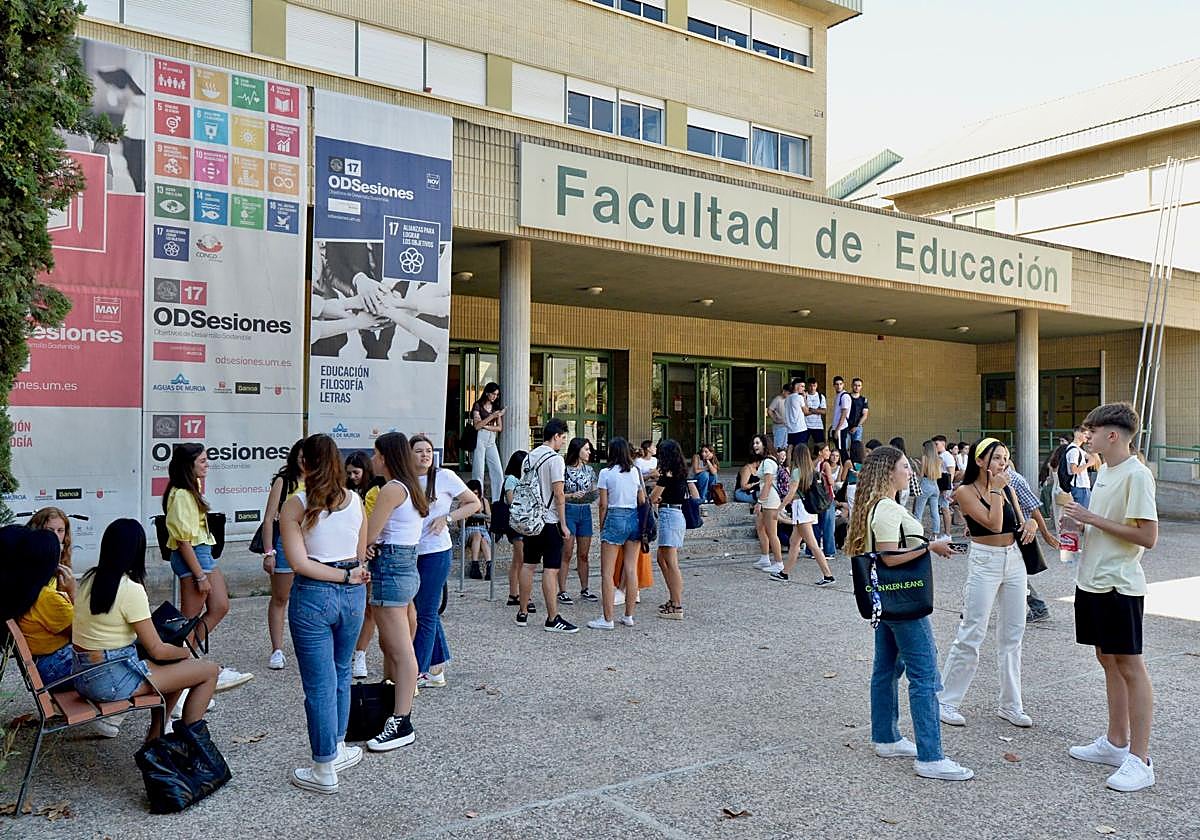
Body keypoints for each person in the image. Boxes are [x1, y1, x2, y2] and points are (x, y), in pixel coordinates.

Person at [845, 447, 972, 781]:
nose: (910, 472)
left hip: (888, 600)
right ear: (889, 472)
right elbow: (887, 557)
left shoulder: (879, 506)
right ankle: (931, 757)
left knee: (886, 668)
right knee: (925, 674)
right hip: (903, 600)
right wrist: (929, 547)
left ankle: (886, 737)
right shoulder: (886, 508)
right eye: (905, 466)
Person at [1064, 403, 1159, 792]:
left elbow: (1148, 537)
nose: (1088, 437)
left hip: (1120, 583)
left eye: (1093, 431)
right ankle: (1116, 742)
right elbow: (1107, 527)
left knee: (1130, 664)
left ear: (1113, 435)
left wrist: (1091, 520)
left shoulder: (1137, 475)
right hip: (1093, 581)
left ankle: (1141, 759)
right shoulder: (1105, 470)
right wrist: (1077, 526)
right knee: (1106, 658)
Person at [72, 519, 220, 744]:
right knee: (208, 671)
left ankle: (155, 739)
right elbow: (158, 650)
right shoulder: (130, 589)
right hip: (111, 681)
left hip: (83, 676)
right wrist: (184, 653)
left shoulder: (88, 579)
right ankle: (193, 745)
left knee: (174, 669)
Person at [278, 434, 370, 793]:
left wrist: (341, 575)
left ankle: (323, 767)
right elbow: (359, 553)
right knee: (342, 671)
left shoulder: (295, 505)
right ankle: (339, 746)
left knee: (318, 684)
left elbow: (299, 564)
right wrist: (348, 575)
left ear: (304, 464)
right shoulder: (356, 499)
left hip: (315, 595)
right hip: (352, 595)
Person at [939, 438, 1033, 729]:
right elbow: (992, 523)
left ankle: (1011, 704)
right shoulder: (965, 491)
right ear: (979, 461)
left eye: (1005, 458)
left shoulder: (1006, 486)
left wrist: (1029, 523)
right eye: (996, 458)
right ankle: (945, 700)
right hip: (985, 560)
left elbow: (1018, 519)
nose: (1002, 463)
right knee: (972, 630)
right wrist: (995, 488)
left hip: (1014, 558)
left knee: (1013, 633)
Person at [162, 442, 251, 693]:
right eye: (202, 461)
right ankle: (181, 670)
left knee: (220, 605)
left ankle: (187, 662)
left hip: (203, 550)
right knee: (188, 619)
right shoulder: (180, 495)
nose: (207, 464)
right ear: (188, 466)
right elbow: (182, 541)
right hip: (192, 554)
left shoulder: (192, 488)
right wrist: (200, 575)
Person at [363, 432, 429, 751]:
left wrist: (365, 545)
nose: (372, 460)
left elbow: (370, 534)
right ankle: (394, 705)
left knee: (401, 649)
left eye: (375, 454)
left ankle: (401, 720)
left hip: (391, 569)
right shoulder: (411, 487)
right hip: (403, 567)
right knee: (391, 644)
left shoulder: (391, 489)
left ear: (386, 457)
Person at [411, 434, 479, 690]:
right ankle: (436, 667)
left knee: (426, 612)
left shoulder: (444, 477)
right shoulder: (404, 479)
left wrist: (448, 519)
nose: (425, 455)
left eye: (428, 450)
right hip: (411, 551)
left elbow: (472, 502)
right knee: (422, 608)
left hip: (436, 551)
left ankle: (418, 670)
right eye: (419, 451)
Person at [516, 419, 577, 633]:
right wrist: (564, 524)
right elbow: (559, 494)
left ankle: (522, 612)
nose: (563, 442)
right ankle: (552, 618)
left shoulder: (528, 457)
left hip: (531, 519)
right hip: (549, 520)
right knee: (550, 570)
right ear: (557, 436)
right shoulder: (555, 460)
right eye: (563, 438)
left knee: (528, 565)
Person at [0, 527, 79, 690]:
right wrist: (73, 592)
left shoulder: (20, 589)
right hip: (56, 668)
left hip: (43, 666)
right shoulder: (46, 598)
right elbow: (86, 631)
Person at [588, 437, 647, 630]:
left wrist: (602, 525)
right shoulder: (635, 472)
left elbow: (603, 504)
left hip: (614, 515)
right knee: (630, 568)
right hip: (633, 517)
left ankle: (607, 618)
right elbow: (641, 499)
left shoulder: (605, 473)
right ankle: (629, 615)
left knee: (607, 572)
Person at [260, 439, 304, 671]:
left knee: (308, 598)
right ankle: (277, 649)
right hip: (286, 544)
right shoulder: (284, 481)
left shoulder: (322, 481)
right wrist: (269, 552)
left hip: (314, 547)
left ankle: (306, 644)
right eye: (301, 457)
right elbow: (268, 518)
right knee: (280, 597)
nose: (305, 462)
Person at [771, 444, 834, 585]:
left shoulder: (797, 471)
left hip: (800, 508)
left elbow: (791, 493)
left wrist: (779, 508)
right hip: (809, 508)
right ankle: (784, 573)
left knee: (812, 544)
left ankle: (828, 575)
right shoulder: (811, 470)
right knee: (794, 543)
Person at [648, 439, 697, 620]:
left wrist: (654, 496)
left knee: (671, 562)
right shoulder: (679, 471)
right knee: (662, 559)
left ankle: (677, 604)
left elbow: (653, 497)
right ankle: (672, 598)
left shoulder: (667, 474)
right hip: (673, 513)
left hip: (670, 515)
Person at [348, 450, 384, 678]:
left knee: (369, 608)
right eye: (349, 473)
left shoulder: (378, 489)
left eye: (356, 472)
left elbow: (377, 523)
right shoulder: (344, 493)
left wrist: (369, 544)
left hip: (372, 554)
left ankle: (360, 655)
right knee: (353, 609)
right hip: (350, 554)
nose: (352, 476)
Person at [561, 437, 598, 605]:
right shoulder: (564, 469)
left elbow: (594, 490)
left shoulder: (590, 470)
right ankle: (562, 590)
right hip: (569, 509)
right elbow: (558, 493)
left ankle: (585, 588)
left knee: (584, 554)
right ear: (577, 451)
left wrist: (593, 493)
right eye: (586, 449)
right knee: (567, 552)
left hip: (585, 510)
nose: (589, 452)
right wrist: (571, 495)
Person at [501, 450, 533, 612]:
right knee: (521, 560)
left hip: (521, 522)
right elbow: (511, 500)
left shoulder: (520, 479)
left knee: (517, 560)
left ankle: (514, 594)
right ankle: (521, 593)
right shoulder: (512, 480)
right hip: (516, 522)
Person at [749, 434, 783, 573]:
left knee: (771, 532)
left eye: (757, 443)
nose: (754, 445)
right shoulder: (766, 461)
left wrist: (760, 502)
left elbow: (768, 483)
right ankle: (765, 557)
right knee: (760, 527)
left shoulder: (768, 462)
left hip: (770, 500)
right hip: (766, 499)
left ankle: (779, 563)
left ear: (764, 444)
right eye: (754, 443)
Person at [470, 382, 506, 502]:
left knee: (498, 472)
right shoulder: (478, 405)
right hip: (480, 438)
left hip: (491, 439)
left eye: (497, 394)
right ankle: (477, 500)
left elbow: (499, 428)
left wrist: (485, 426)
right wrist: (492, 417)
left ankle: (497, 500)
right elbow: (476, 426)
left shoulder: (496, 407)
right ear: (487, 393)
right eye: (493, 394)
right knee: (478, 471)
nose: (495, 397)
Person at [913, 441, 943, 537]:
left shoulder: (924, 458)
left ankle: (917, 535)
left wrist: (916, 465)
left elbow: (921, 474)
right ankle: (935, 535)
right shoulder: (939, 459)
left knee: (918, 513)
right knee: (935, 513)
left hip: (925, 484)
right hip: (935, 486)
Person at [463, 480, 492, 578]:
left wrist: (481, 513)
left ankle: (489, 567)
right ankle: (474, 565)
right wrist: (469, 511)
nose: (474, 496)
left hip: (482, 528)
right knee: (477, 535)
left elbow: (490, 519)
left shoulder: (484, 501)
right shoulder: (464, 502)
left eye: (476, 494)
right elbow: (460, 524)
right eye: (472, 493)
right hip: (469, 529)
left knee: (483, 540)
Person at [1065, 426, 1098, 507]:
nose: (1087, 436)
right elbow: (1074, 470)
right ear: (1077, 434)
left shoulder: (1077, 449)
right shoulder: (1074, 451)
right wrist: (1088, 464)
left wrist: (1091, 460)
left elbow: (1092, 459)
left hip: (1081, 486)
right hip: (1079, 486)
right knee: (1082, 515)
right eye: (1085, 433)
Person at [932, 435, 957, 537]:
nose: (935, 446)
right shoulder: (939, 455)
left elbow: (951, 472)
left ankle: (947, 533)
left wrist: (947, 488)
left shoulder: (947, 456)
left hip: (945, 486)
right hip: (940, 485)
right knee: (942, 508)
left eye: (936, 444)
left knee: (945, 509)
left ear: (943, 443)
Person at [784, 377, 807, 457]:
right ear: (797, 386)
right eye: (802, 386)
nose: (804, 389)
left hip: (790, 428)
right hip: (800, 428)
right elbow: (806, 411)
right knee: (800, 450)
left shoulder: (787, 398)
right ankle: (799, 467)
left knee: (790, 448)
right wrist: (805, 398)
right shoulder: (799, 397)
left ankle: (788, 466)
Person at [830, 375, 852, 456]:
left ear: (843, 384)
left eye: (840, 384)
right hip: (836, 427)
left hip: (841, 428)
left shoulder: (844, 396)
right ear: (834, 385)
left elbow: (844, 413)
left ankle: (847, 467)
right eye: (837, 384)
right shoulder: (838, 396)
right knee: (839, 451)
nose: (839, 386)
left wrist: (837, 429)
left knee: (842, 451)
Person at [845, 377, 870, 446]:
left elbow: (865, 415)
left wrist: (856, 426)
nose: (857, 387)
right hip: (845, 426)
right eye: (855, 385)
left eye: (859, 386)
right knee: (844, 447)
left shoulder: (863, 400)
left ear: (861, 387)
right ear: (852, 385)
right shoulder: (846, 397)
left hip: (858, 427)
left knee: (856, 448)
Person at [803, 377, 826, 444]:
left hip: (818, 425)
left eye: (814, 386)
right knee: (803, 444)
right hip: (805, 425)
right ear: (807, 386)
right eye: (810, 386)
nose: (812, 388)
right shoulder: (804, 396)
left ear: (817, 385)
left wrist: (811, 410)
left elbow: (824, 411)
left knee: (820, 445)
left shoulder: (821, 396)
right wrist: (817, 410)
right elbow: (804, 412)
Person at [768, 383, 790, 451]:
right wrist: (775, 419)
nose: (789, 395)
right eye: (788, 393)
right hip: (779, 427)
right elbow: (770, 410)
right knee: (778, 446)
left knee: (785, 446)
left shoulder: (789, 400)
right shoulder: (777, 399)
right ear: (784, 391)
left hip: (787, 426)